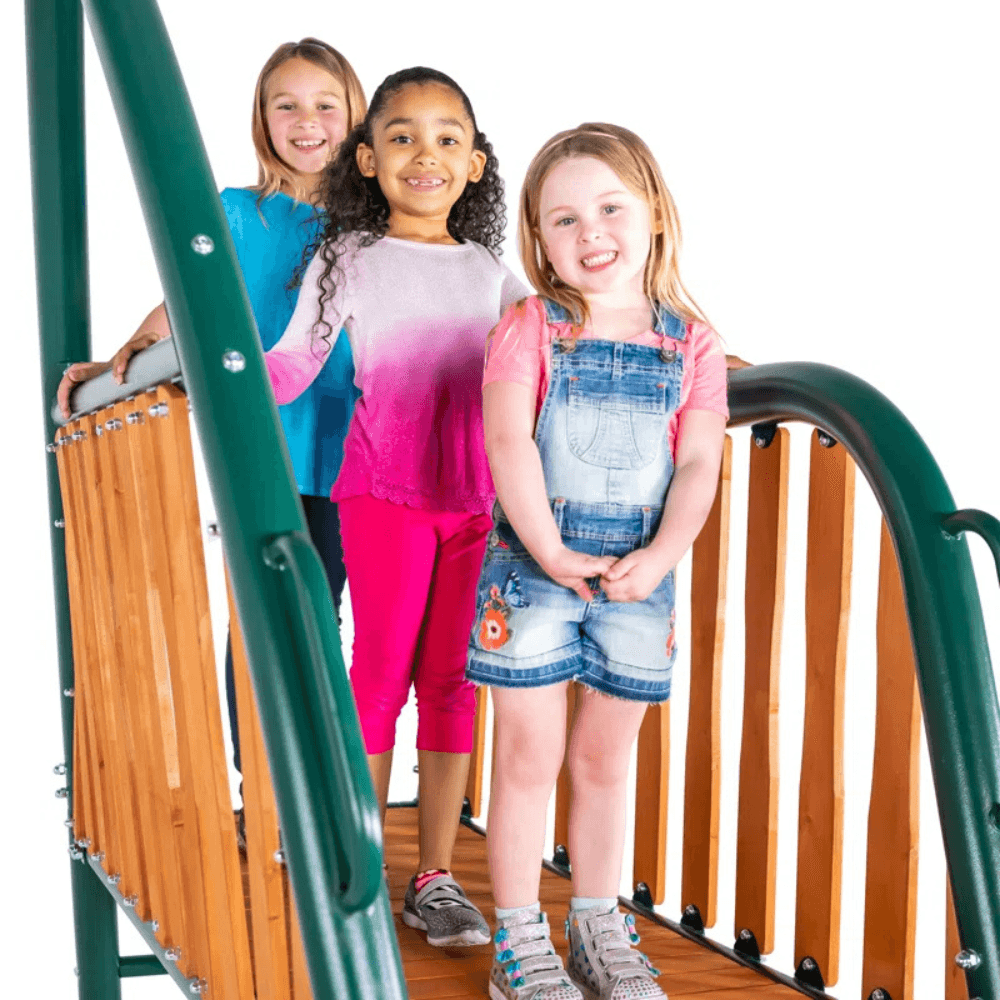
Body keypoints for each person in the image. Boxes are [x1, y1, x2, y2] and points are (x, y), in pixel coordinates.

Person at [56, 37, 366, 804]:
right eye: (286, 105)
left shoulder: (379, 221)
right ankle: (266, 789)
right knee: (266, 612)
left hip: (359, 449)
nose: (307, 121)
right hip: (266, 444)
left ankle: (333, 788)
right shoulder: (239, 212)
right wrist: (131, 349)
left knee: (332, 615)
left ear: (355, 116)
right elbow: (189, 299)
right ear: (262, 119)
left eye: (325, 105)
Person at [263, 66, 529, 947]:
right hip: (382, 494)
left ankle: (434, 877)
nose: (426, 154)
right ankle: (361, 866)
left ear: (476, 163)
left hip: (473, 504)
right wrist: (220, 375)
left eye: (448, 138)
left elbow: (566, 335)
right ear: (369, 159)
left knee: (451, 680)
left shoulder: (488, 273)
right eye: (403, 136)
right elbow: (294, 360)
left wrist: (696, 354)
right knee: (380, 672)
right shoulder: (349, 258)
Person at [466, 124, 729, 1000]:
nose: (592, 233)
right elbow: (509, 441)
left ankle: (596, 925)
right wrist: (547, 545)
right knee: (528, 754)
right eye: (565, 219)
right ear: (539, 240)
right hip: (533, 568)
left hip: (639, 580)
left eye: (611, 208)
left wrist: (660, 556)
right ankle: (518, 939)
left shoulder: (692, 344)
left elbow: (699, 462)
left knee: (605, 760)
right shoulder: (528, 328)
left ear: (651, 211)